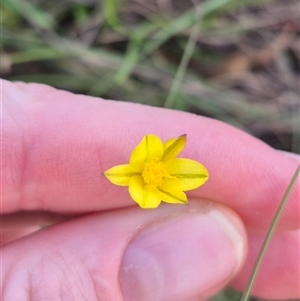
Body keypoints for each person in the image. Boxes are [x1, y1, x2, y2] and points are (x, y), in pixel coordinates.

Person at [1, 79, 299, 301]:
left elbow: (182, 185)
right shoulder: (136, 172)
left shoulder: (166, 176)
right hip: (137, 181)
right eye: (154, 171)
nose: (155, 173)